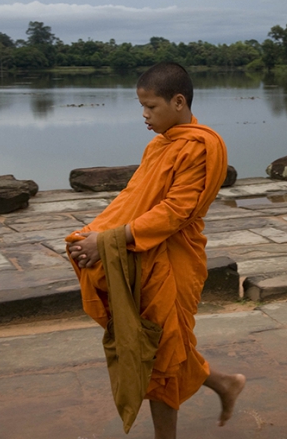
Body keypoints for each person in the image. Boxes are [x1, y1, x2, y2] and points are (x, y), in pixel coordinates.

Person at [65, 62, 245, 439]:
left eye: (151, 107)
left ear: (178, 101)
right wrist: (96, 232)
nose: (145, 115)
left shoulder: (199, 146)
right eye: (141, 108)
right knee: (163, 345)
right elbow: (133, 197)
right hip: (144, 252)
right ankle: (225, 383)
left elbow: (176, 211)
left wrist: (110, 240)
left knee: (158, 355)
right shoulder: (159, 144)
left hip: (174, 257)